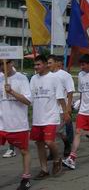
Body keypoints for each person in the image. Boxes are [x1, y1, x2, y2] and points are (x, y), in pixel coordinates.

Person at [30, 55, 68, 179]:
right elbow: (30, 97)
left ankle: (57, 159)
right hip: (37, 117)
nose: (36, 67)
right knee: (39, 143)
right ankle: (44, 169)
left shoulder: (54, 78)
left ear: (46, 64)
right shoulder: (33, 79)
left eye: (38, 64)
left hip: (51, 116)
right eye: (35, 65)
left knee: (49, 141)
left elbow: (60, 97)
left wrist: (66, 112)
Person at [0, 60, 32, 189]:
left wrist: (12, 92)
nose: (1, 67)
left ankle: (26, 178)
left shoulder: (21, 78)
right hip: (1, 123)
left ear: (11, 63)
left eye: (3, 64)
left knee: (24, 151)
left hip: (17, 123)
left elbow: (28, 101)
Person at [47, 55, 75, 157]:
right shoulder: (47, 75)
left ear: (56, 63)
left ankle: (67, 144)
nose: (48, 65)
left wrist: (68, 107)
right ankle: (53, 151)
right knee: (53, 132)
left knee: (58, 131)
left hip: (60, 109)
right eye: (47, 63)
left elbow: (70, 91)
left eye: (50, 63)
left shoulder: (65, 75)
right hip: (50, 109)